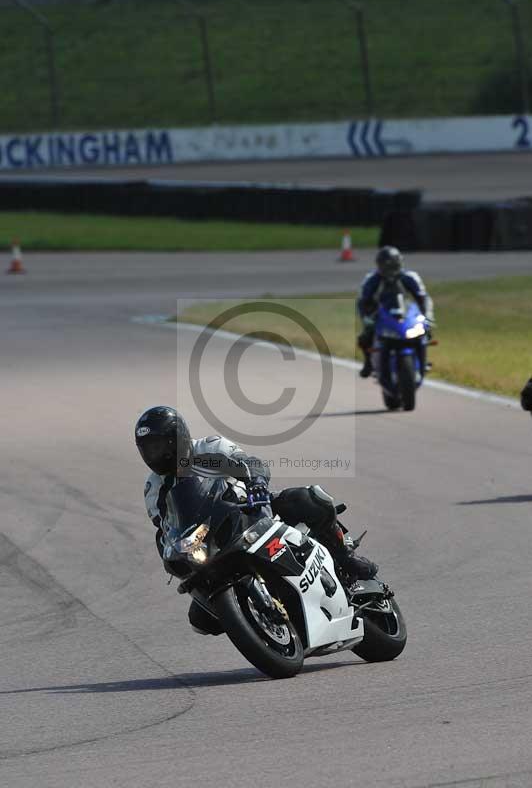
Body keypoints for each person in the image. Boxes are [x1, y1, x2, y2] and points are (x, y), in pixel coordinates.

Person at [135, 406, 378, 633]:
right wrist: (170, 551)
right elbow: (165, 528)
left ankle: (345, 557)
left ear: (176, 438)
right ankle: (255, 619)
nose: (154, 455)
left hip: (251, 511)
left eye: (157, 447)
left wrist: (257, 484)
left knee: (309, 499)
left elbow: (249, 463)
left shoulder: (208, 449)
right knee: (201, 620)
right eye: (147, 449)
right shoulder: (154, 488)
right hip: (212, 542)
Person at [357, 245, 434, 378]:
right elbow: (363, 302)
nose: (390, 270)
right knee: (364, 337)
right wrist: (366, 319)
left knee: (424, 332)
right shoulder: (371, 279)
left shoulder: (410, 277)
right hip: (381, 313)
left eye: (393, 265)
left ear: (399, 263)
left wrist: (427, 317)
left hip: (405, 311)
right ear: (380, 266)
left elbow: (423, 298)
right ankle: (368, 363)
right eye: (387, 266)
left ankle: (423, 362)